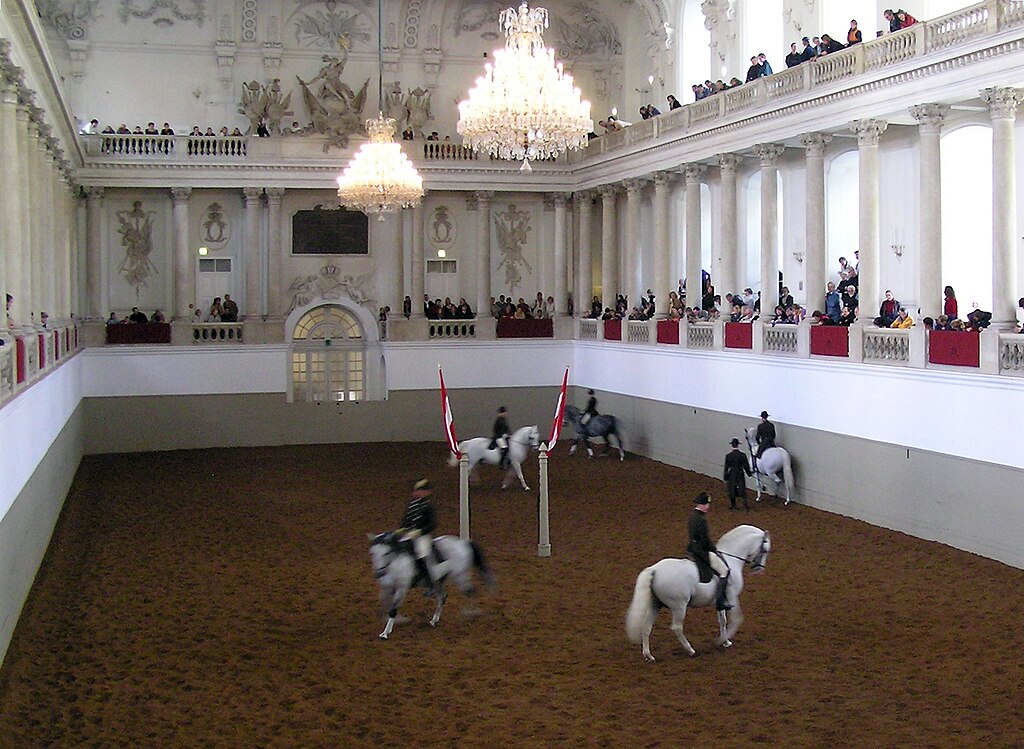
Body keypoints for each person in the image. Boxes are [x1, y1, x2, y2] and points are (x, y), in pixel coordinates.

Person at [687, 492, 732, 611]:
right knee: (724, 571)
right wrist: (714, 549)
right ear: (701, 504)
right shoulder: (701, 520)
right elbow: (705, 539)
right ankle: (720, 601)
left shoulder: (692, 517)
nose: (708, 506)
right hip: (702, 552)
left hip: (692, 548)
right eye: (706, 504)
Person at [398, 478, 440, 595]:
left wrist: (420, 532)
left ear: (427, 492)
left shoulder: (428, 506)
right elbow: (406, 520)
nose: (417, 493)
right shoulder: (412, 505)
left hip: (422, 536)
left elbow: (433, 524)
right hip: (409, 534)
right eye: (416, 491)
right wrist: (401, 529)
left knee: (421, 554)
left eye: (420, 491)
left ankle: (430, 583)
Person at [724, 438, 752, 510]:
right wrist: (749, 473)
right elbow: (746, 465)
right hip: (740, 472)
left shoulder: (728, 456)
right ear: (738, 445)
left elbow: (726, 467)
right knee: (742, 487)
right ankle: (745, 505)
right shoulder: (742, 455)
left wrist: (725, 476)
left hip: (732, 473)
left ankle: (733, 505)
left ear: (732, 445)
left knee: (731, 488)